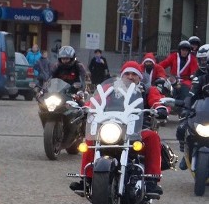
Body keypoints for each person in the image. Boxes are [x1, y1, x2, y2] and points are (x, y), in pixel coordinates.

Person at [70, 61, 167, 195]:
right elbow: (96, 100)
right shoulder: (110, 89)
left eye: (134, 74)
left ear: (139, 77)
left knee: (153, 137)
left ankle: (151, 180)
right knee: (90, 139)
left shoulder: (148, 90)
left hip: (137, 130)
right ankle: (86, 179)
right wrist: (86, 108)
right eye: (127, 73)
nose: (130, 76)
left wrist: (160, 108)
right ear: (122, 76)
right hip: (111, 127)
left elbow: (157, 100)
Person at [177, 44, 209, 157]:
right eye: (201, 60)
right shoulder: (200, 77)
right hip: (201, 110)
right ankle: (186, 153)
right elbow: (192, 93)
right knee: (181, 128)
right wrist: (186, 106)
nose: (203, 63)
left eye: (205, 60)